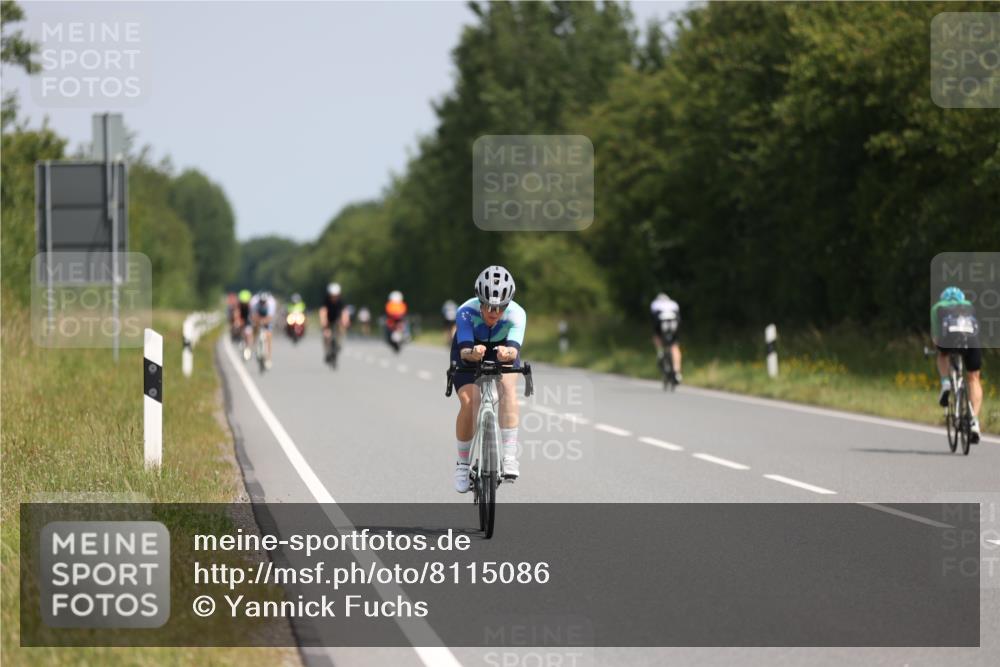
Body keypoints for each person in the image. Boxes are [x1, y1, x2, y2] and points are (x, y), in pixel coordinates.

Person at [451, 265, 526, 492]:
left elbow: (513, 349)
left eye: (500, 307)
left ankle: (510, 456)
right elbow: (464, 350)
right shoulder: (465, 312)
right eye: (489, 306)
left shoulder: (517, 314)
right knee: (470, 401)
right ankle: (463, 465)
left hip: (502, 349)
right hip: (470, 349)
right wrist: (472, 353)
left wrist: (507, 353)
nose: (494, 312)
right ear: (479, 301)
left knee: (508, 390)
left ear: (508, 304)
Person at [932, 286, 982, 443]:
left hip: (948, 339)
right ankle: (974, 420)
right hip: (971, 341)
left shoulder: (938, 307)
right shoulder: (969, 305)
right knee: (974, 378)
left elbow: (936, 336)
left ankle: (946, 382)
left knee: (942, 354)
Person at [650, 292, 682, 383]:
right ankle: (677, 372)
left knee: (656, 336)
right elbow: (679, 317)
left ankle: (660, 352)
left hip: (661, 321)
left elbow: (653, 319)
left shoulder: (655, 304)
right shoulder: (673, 303)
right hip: (674, 322)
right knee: (675, 346)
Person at [319, 282, 349, 365]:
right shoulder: (325, 300)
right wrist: (324, 323)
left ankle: (339, 344)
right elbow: (322, 312)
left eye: (336, 296)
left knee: (341, 330)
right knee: (326, 335)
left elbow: (344, 312)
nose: (334, 297)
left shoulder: (341, 301)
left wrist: (345, 322)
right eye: (332, 295)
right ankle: (327, 352)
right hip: (328, 320)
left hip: (337, 320)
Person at [249, 290, 277, 369]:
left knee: (268, 335)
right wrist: (258, 322)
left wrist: (264, 321)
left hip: (267, 318)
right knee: (254, 329)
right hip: (258, 317)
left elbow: (270, 317)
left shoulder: (271, 303)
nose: (263, 303)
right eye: (261, 302)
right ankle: (253, 345)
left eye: (264, 302)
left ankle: (269, 358)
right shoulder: (254, 303)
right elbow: (253, 316)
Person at [236, 289, 253, 360]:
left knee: (248, 333)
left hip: (248, 320)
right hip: (241, 318)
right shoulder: (238, 306)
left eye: (245, 302)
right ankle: (240, 339)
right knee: (238, 328)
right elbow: (236, 314)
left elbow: (252, 317)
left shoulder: (251, 306)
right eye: (242, 302)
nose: (244, 304)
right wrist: (237, 321)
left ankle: (248, 348)